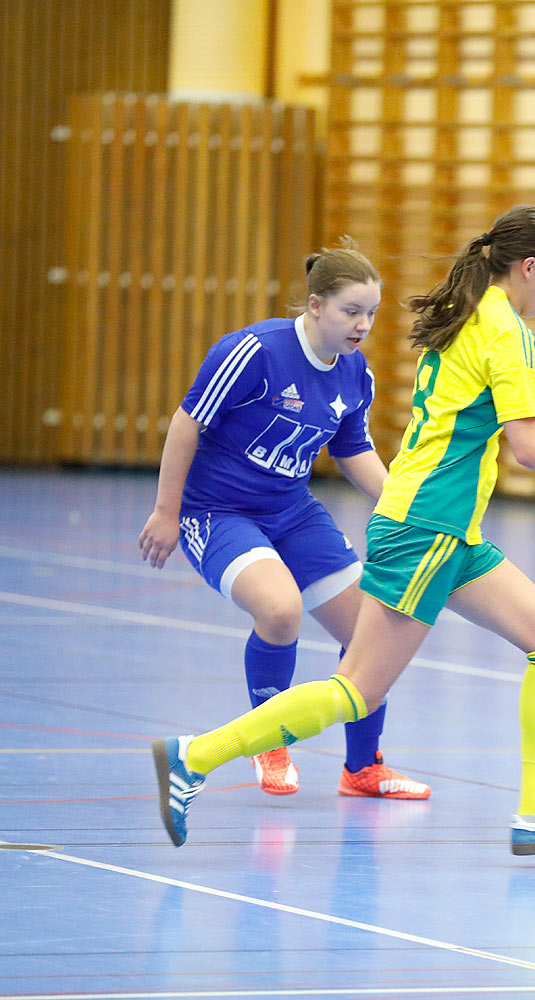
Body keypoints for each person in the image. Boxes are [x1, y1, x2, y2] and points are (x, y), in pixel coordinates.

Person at [151, 206, 535, 851]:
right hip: (427, 525)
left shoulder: (479, 310)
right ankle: (197, 754)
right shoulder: (504, 329)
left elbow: (503, 389)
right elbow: (530, 448)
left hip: (448, 530)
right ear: (528, 266)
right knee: (356, 689)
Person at [138, 239, 430, 800]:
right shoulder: (255, 351)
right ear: (315, 305)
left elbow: (353, 450)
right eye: (351, 311)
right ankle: (268, 738)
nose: (363, 324)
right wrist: (166, 511)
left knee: (372, 635)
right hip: (217, 511)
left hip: (291, 510)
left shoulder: (354, 372)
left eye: (371, 313)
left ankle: (362, 768)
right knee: (280, 609)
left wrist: (404, 506)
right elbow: (186, 422)